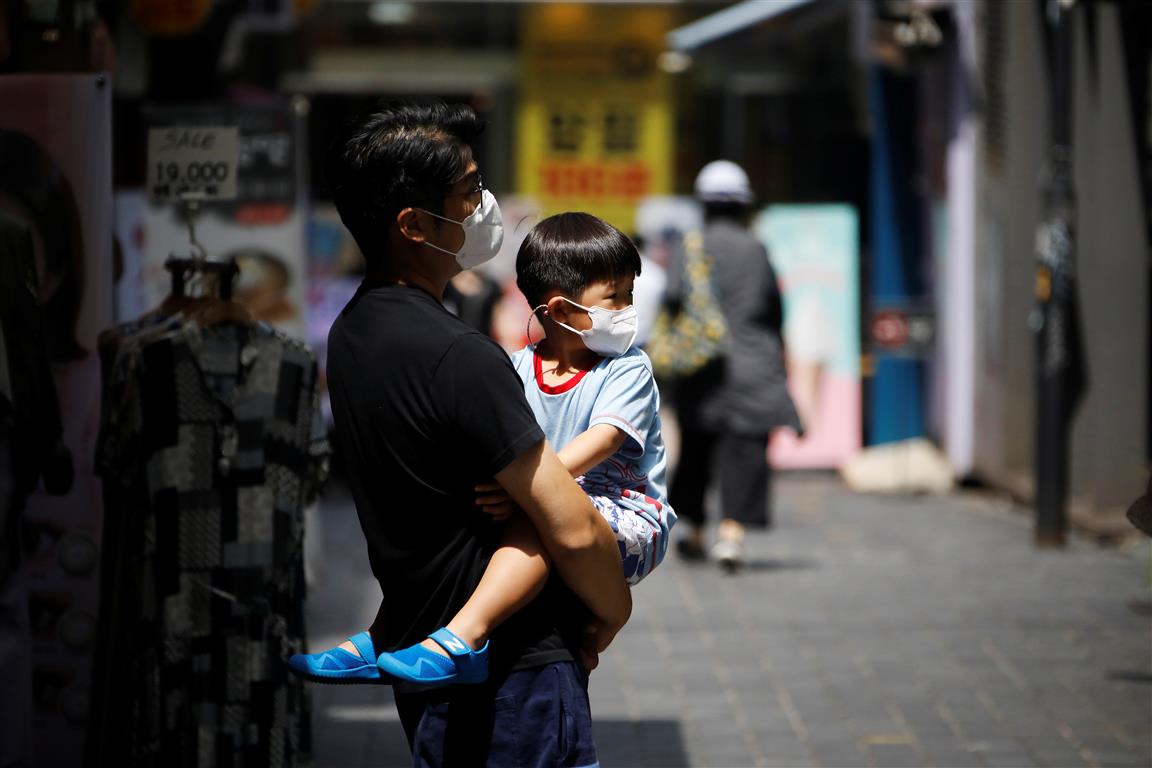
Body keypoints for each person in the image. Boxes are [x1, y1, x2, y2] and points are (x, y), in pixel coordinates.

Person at [290, 100, 631, 765]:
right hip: (515, 672)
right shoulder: (460, 355)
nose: (485, 207)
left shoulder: (353, 334)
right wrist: (613, 612)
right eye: (470, 192)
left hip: (425, 657)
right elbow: (569, 525)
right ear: (414, 225)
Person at [366, 212, 674, 685]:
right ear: (561, 311)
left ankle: (462, 637)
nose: (628, 308)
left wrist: (527, 490)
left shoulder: (628, 368)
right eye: (615, 297)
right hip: (547, 503)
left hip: (628, 517)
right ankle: (385, 632)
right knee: (462, 522)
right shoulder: (515, 366)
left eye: (628, 294)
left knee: (540, 518)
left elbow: (606, 438)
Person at [669, 160, 801, 571]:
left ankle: (693, 532)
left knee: (696, 449)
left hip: (701, 368)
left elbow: (672, 298)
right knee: (744, 448)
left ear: (703, 204)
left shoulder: (689, 246)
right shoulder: (756, 247)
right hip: (751, 364)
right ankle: (731, 533)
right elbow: (773, 309)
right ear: (744, 205)